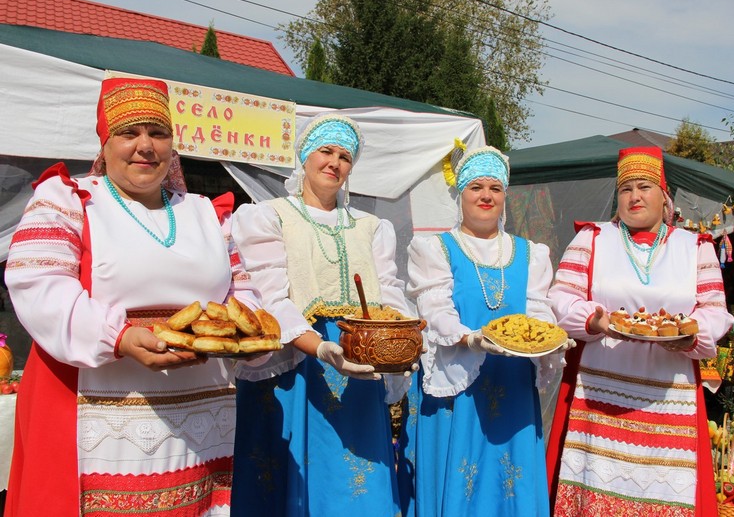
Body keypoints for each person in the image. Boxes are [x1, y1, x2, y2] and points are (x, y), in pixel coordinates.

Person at [3, 77, 261, 516]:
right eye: (129, 133)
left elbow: (243, 292)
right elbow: (38, 283)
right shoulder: (70, 199)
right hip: (97, 400)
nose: (145, 145)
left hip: (199, 416)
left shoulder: (204, 211)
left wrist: (245, 335)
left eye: (158, 133)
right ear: (105, 143)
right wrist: (118, 337)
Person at [230, 113, 412, 516]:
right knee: (290, 481)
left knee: (354, 480)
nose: (334, 162)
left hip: (361, 359)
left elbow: (390, 292)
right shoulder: (270, 216)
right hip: (295, 359)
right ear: (304, 158)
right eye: (325, 151)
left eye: (345, 156)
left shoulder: (371, 226)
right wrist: (322, 349)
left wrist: (401, 336)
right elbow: (270, 298)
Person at [546, 146, 734, 516]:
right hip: (599, 388)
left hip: (669, 389)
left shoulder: (694, 247)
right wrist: (595, 320)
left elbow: (715, 312)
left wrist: (689, 335)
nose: (634, 196)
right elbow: (560, 297)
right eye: (626, 188)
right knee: (595, 481)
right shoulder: (593, 238)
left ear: (663, 196)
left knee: (662, 486)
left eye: (644, 186)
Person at [398, 145, 564, 516]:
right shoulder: (436, 249)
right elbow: (434, 308)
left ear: (505, 195)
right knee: (461, 477)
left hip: (513, 385)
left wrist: (551, 338)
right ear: (460, 194)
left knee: (509, 480)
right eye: (476, 187)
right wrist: (469, 338)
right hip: (457, 386)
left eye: (495, 188)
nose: (486, 196)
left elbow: (538, 312)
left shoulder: (529, 253)